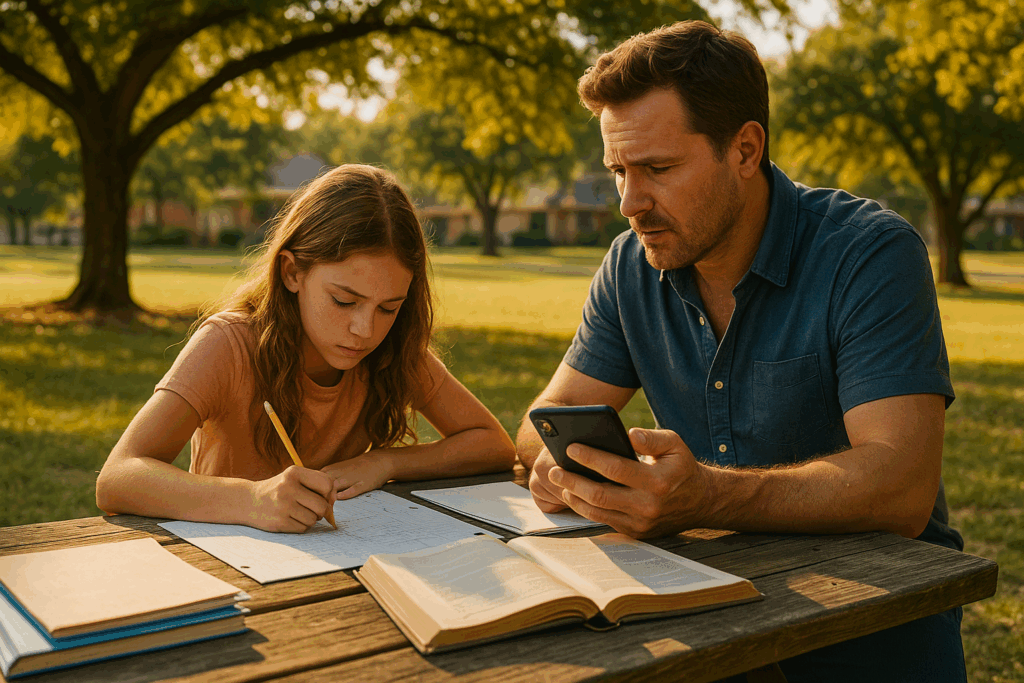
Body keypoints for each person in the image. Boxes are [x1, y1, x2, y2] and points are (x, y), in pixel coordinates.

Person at [515, 20, 965, 683]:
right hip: (709, 633)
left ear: (746, 150)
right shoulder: (630, 267)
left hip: (872, 635)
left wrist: (707, 496)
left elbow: (900, 486)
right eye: (618, 171)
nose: (629, 202)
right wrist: (573, 473)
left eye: (657, 169)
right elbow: (538, 427)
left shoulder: (869, 252)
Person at [97, 164, 515, 533]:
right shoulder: (229, 344)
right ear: (293, 272)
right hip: (230, 567)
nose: (364, 330)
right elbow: (118, 477)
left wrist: (384, 463)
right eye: (344, 301)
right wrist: (252, 500)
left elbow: (493, 445)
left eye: (388, 307)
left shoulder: (392, 348)